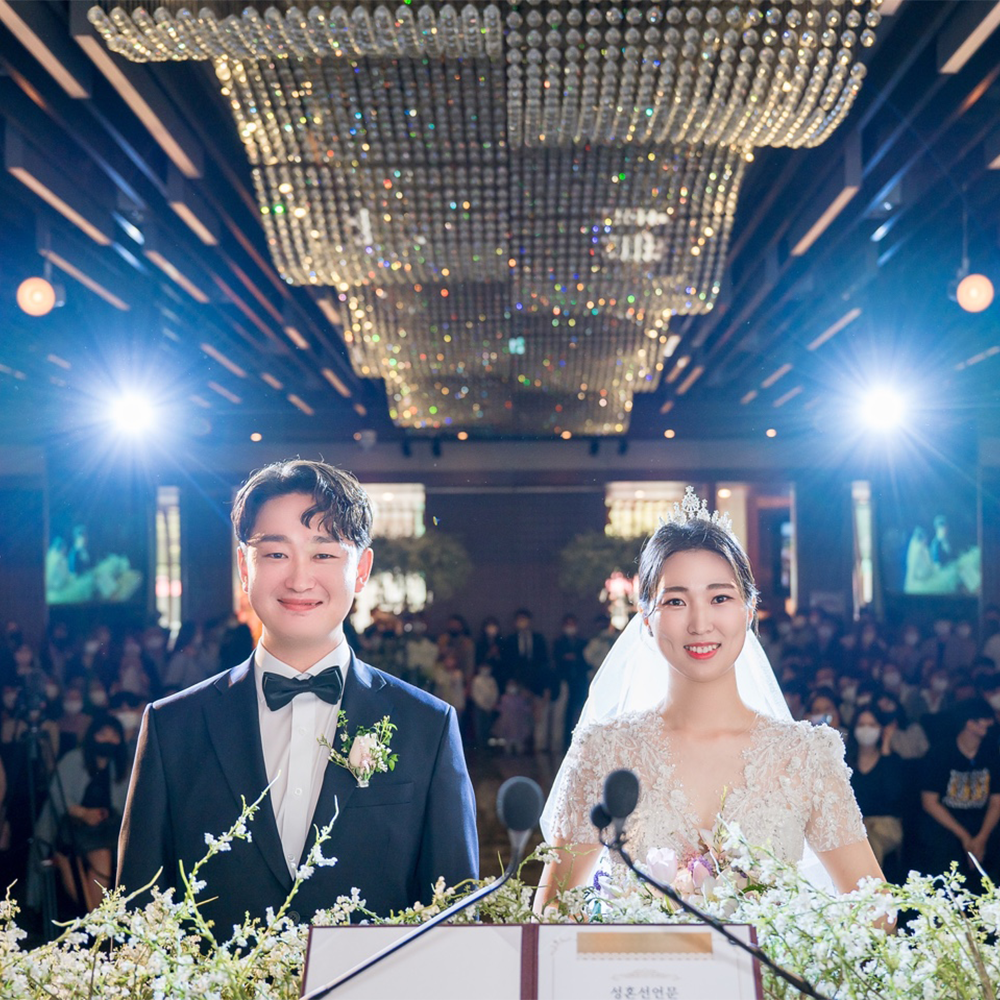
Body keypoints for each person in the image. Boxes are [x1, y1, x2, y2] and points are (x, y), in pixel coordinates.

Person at [117, 459, 478, 930]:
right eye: (275, 554)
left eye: (323, 555)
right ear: (244, 568)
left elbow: (455, 922)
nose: (299, 580)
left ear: (361, 570)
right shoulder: (172, 728)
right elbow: (136, 923)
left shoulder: (427, 726)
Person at [535, 489, 883, 910]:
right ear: (646, 619)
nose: (700, 623)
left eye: (720, 598)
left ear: (749, 610)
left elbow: (875, 907)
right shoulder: (604, 751)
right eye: (675, 601)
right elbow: (552, 910)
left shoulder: (805, 756)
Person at [37, 714, 131, 912]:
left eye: (114, 735)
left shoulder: (121, 765)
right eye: (102, 734)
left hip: (103, 832)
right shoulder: (74, 759)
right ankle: (93, 918)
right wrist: (83, 813)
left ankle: (93, 917)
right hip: (69, 828)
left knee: (102, 858)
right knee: (69, 858)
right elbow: (58, 795)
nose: (108, 740)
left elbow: (125, 805)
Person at [918, 698, 1000, 887]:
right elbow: (929, 802)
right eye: (986, 719)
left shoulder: (992, 753)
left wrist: (981, 838)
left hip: (982, 819)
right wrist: (965, 837)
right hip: (947, 821)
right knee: (942, 847)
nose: (991, 723)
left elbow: (997, 802)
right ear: (970, 723)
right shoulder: (940, 753)